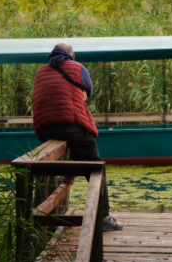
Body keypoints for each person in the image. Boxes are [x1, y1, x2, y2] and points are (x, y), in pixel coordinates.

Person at [32, 42, 123, 231]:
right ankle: (104, 217)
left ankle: (68, 177)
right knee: (96, 168)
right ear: (71, 55)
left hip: (46, 130)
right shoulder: (77, 67)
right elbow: (87, 92)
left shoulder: (40, 72)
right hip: (71, 126)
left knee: (70, 149)